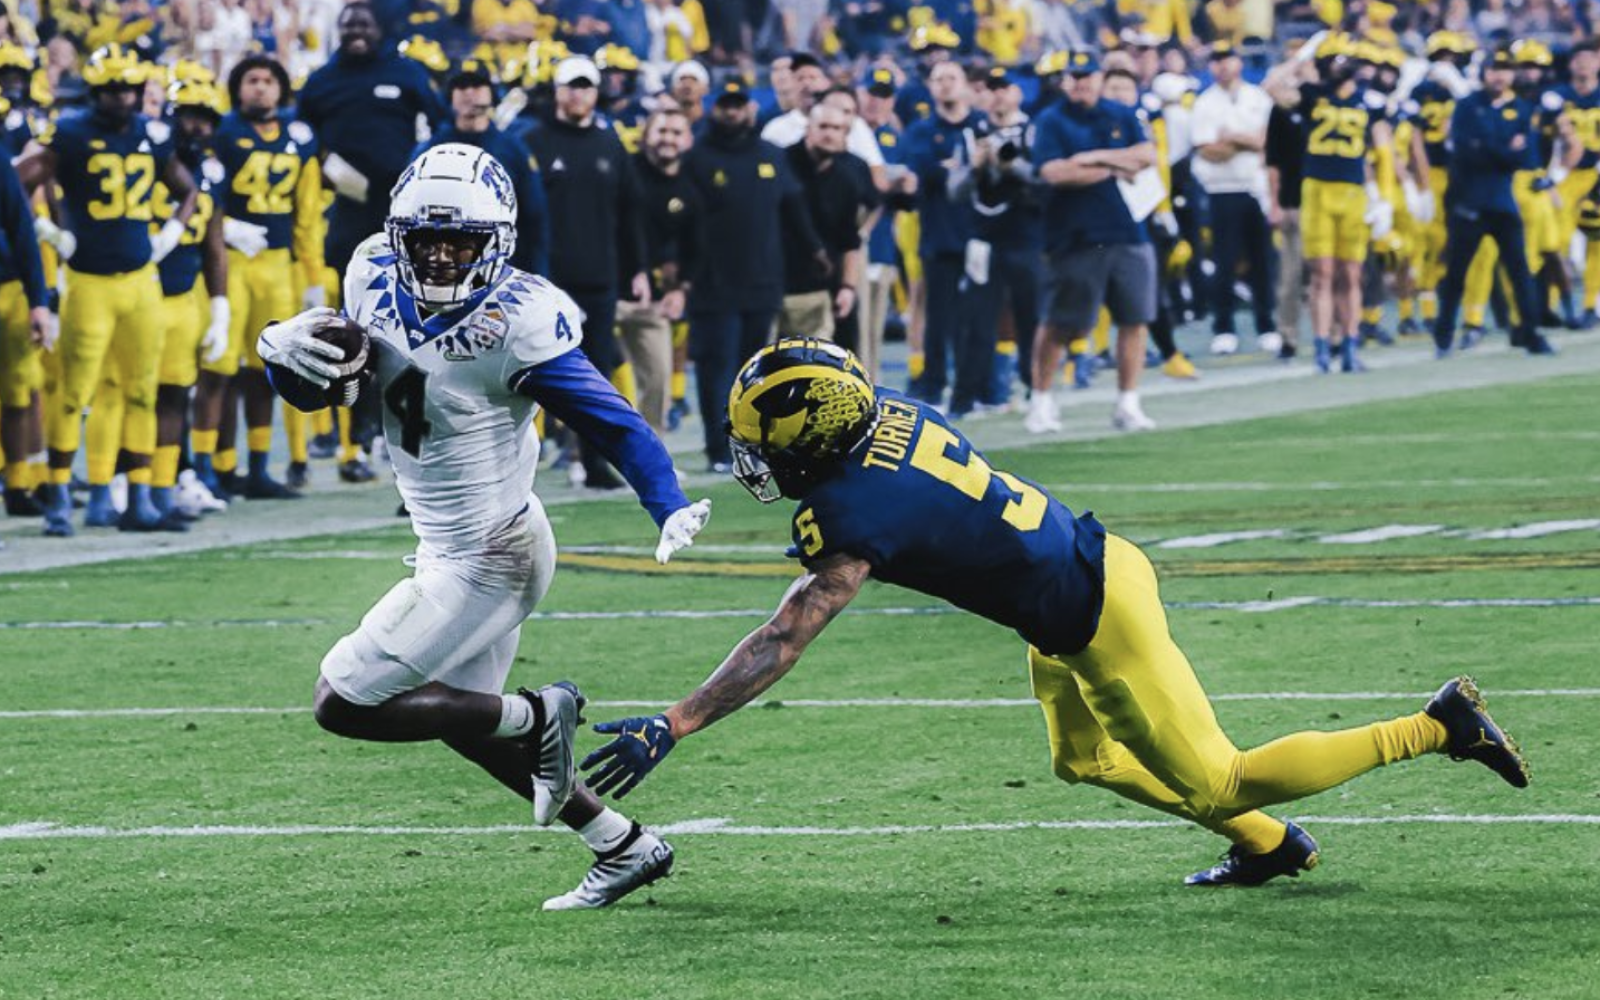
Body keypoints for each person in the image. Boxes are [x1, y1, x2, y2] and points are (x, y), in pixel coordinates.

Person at [578, 338, 1533, 888]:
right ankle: (1271, 850)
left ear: (818, 431)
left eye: (762, 438)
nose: (753, 455)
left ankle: (1434, 728)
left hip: (1094, 617)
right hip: (1087, 571)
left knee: (1224, 779)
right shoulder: (892, 412)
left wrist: (678, 720)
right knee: (1080, 761)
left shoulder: (847, 513)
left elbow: (786, 634)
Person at [256, 144, 712, 910]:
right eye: (426, 239)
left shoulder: (520, 320)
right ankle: (622, 845)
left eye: (460, 241)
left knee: (342, 700)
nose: (439, 256)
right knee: (464, 721)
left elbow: (613, 420)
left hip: (488, 555)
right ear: (398, 234)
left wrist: (665, 500)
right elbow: (326, 389)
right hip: (461, 542)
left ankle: (542, 712)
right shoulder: (369, 270)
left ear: (495, 242)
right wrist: (280, 350)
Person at [16, 44, 199, 536]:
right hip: (89, 282)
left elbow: (189, 189)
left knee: (142, 390)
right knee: (75, 395)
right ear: (95, 91)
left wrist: (172, 233)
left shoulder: (152, 134)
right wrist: (49, 231)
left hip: (141, 281)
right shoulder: (70, 133)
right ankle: (57, 495)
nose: (121, 97)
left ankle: (138, 498)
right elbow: (13, 185)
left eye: (128, 87)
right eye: (111, 88)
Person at [681, 78, 822, 473]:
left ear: (751, 109)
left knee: (756, 373)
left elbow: (794, 209)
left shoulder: (771, 155)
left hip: (763, 281)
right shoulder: (697, 157)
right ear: (714, 109)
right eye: (725, 105)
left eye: (738, 105)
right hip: (713, 284)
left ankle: (751, 446)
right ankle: (718, 448)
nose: (732, 112)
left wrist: (815, 250)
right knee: (716, 368)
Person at [525, 55, 650, 489]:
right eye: (571, 86)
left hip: (599, 278)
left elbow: (630, 211)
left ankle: (594, 463)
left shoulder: (610, 143)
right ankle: (529, 461)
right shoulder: (533, 141)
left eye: (586, 86)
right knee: (531, 372)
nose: (578, 94)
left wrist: (637, 269)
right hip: (546, 280)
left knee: (593, 377)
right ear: (557, 90)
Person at [211, 54, 325, 499]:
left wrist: (311, 273)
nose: (260, 88)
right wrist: (225, 229)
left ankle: (258, 466)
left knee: (267, 368)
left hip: (278, 263)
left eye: (268, 80)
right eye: (252, 80)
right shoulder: (223, 133)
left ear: (282, 88)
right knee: (221, 368)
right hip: (233, 262)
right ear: (238, 88)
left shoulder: (300, 138)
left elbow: (308, 215)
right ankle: (216, 465)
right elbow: (204, 194)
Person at [1027, 50, 1158, 435]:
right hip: (1074, 235)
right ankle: (1041, 399)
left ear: (1099, 78)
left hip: (1127, 230)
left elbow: (1147, 155)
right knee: (1064, 323)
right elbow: (1055, 172)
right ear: (1065, 80)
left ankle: (1128, 402)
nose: (1082, 83)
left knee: (1135, 318)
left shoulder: (1119, 114)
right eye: (1075, 76)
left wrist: (1095, 158)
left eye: (1088, 76)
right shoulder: (1051, 120)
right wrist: (1117, 167)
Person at [1432, 47, 1554, 357]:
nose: (1499, 74)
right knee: (1458, 272)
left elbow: (1522, 157)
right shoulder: (1467, 106)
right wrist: (1502, 148)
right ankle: (1444, 333)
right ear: (1484, 72)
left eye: (1505, 68)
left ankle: (1531, 332)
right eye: (1494, 68)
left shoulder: (1522, 109)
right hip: (1469, 201)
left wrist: (1490, 148)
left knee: (1519, 270)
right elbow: (1465, 150)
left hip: (1502, 201)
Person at [1190, 41, 1277, 356]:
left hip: (1256, 186)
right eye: (1216, 60)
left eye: (1227, 59)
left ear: (1238, 62)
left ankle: (1266, 324)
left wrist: (1234, 138)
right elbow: (1207, 150)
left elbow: (1267, 141)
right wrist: (1247, 142)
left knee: (1261, 260)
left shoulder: (1257, 97)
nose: (1222, 65)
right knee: (1224, 261)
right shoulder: (1204, 103)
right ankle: (1224, 327)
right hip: (1222, 189)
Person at [619, 107, 702, 434]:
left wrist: (681, 288)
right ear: (645, 135)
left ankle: (653, 459)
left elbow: (697, 246)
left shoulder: (690, 189)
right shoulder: (622, 173)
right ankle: (580, 455)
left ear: (688, 139)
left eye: (676, 132)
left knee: (658, 380)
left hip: (652, 301)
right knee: (598, 382)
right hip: (608, 292)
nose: (668, 139)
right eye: (661, 130)